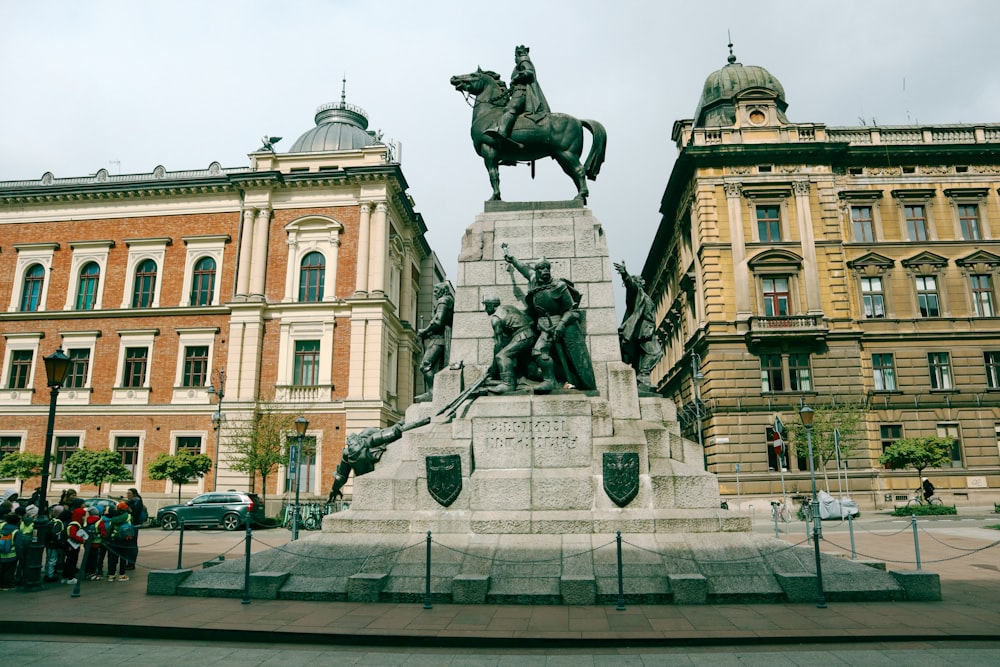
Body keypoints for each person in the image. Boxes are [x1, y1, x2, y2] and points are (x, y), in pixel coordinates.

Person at [503, 246, 596, 391]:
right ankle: (550, 381)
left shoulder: (559, 286)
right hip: (544, 326)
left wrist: (562, 325)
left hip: (559, 326)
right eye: (541, 269)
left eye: (547, 269)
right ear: (538, 271)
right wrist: (513, 260)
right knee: (538, 352)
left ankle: (572, 382)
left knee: (563, 358)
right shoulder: (534, 280)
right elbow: (524, 269)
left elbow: (573, 310)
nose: (545, 271)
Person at [327, 418, 429, 502]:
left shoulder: (358, 447)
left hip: (375, 439)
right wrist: (333, 490)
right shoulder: (357, 448)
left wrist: (334, 490)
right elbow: (341, 476)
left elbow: (341, 477)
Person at [486, 45, 550, 147]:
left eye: (515, 55)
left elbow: (529, 73)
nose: (515, 58)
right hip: (518, 91)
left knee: (510, 109)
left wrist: (515, 79)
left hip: (522, 92)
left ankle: (501, 131)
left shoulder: (523, 60)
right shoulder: (521, 63)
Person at [614, 261, 664, 390]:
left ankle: (640, 382)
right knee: (656, 353)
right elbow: (630, 285)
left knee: (639, 358)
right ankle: (643, 375)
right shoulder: (635, 294)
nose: (644, 281)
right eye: (640, 279)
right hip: (641, 331)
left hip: (647, 330)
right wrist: (625, 274)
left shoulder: (645, 296)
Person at [482, 294, 536, 393]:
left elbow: (499, 344)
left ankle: (508, 384)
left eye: (486, 306)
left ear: (492, 306)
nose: (485, 309)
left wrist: (494, 367)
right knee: (528, 367)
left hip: (522, 337)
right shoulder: (509, 308)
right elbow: (530, 321)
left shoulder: (496, 319)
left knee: (502, 356)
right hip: (530, 334)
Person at [415, 282, 454, 402]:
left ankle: (432, 393)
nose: (435, 294)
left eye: (436, 291)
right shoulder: (447, 300)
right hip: (440, 337)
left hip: (439, 339)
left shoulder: (443, 301)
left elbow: (438, 321)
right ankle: (436, 392)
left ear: (442, 290)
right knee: (437, 367)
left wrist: (425, 331)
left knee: (426, 364)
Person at [105, 503, 136, 582]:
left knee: (113, 558)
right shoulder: (128, 516)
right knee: (123, 558)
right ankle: (122, 575)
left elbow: (109, 529)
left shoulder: (114, 517)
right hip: (125, 539)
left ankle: (111, 575)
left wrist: (107, 539)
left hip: (114, 539)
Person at [62, 506, 88, 584]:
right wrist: (81, 540)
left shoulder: (73, 524)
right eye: (83, 516)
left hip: (71, 546)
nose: (84, 517)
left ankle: (65, 577)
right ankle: (70, 577)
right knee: (72, 561)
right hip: (72, 546)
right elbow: (72, 535)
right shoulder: (74, 525)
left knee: (69, 561)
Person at [124, 488, 146, 570]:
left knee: (132, 544)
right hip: (130, 525)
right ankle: (129, 562)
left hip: (134, 525)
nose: (128, 495)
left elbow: (135, 513)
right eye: (127, 493)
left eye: (129, 493)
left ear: (134, 494)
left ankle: (131, 563)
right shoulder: (132, 501)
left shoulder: (137, 502)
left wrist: (128, 509)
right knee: (129, 543)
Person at [43, 504, 66, 582]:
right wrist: (59, 543)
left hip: (49, 543)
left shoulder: (51, 521)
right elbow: (57, 534)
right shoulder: (59, 522)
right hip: (54, 544)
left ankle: (47, 573)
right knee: (52, 560)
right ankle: (50, 575)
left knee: (48, 559)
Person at [0, 514, 22, 591]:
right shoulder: (16, 531)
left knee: (2, 570)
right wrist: (20, 555)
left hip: (1, 554)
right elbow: (18, 545)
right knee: (9, 571)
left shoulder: (3, 528)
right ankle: (7, 585)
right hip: (12, 555)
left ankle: (1, 584)